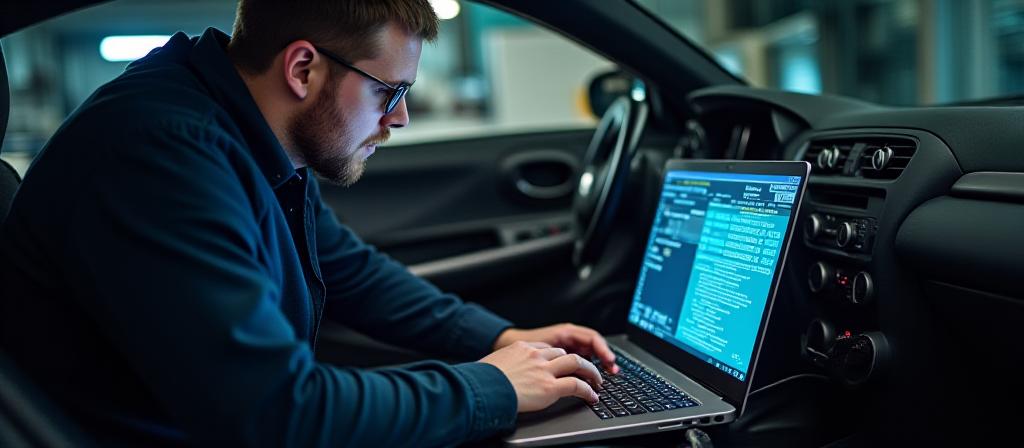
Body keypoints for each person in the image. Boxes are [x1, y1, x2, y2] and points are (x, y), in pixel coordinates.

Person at [0, 0, 620, 446]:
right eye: (389, 92)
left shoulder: (240, 129)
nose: (399, 118)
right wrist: (491, 388)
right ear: (302, 68)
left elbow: (348, 270)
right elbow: (278, 414)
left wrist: (502, 339)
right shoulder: (161, 157)